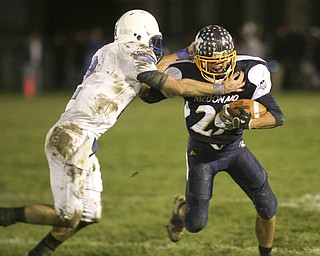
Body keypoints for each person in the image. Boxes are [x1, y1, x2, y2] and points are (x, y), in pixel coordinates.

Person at [0, 11, 244, 256]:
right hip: (72, 137)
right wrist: (222, 87)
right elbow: (175, 86)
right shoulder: (131, 50)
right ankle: (4, 216)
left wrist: (183, 53)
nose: (153, 46)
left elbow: (147, 82)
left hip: (80, 138)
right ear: (140, 34)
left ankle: (39, 252)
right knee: (67, 216)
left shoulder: (111, 51)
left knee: (88, 215)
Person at [140, 25, 285, 256]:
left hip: (235, 148)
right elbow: (145, 89)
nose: (218, 66)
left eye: (222, 60)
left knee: (269, 206)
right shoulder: (183, 71)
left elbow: (277, 116)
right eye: (211, 61)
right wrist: (177, 55)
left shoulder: (250, 70)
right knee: (195, 223)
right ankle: (180, 209)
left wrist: (248, 123)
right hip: (202, 154)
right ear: (197, 58)